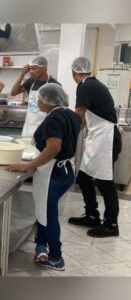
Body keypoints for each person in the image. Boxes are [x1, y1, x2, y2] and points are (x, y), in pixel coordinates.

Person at [7, 83, 81, 271]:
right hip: (66, 172)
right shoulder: (71, 114)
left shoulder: (54, 118)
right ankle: (41, 246)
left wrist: (28, 166)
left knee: (49, 215)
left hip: (52, 175)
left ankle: (56, 258)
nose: (37, 101)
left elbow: (54, 147)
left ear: (47, 100)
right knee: (45, 210)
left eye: (39, 98)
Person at [68, 57, 122, 238]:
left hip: (105, 139)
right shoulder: (92, 84)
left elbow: (79, 115)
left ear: (73, 72)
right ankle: (92, 215)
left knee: (105, 183)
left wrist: (69, 135)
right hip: (98, 137)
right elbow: (84, 119)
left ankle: (111, 224)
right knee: (83, 178)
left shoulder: (85, 86)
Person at [10, 56, 61, 137]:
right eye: (30, 69)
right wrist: (22, 74)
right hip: (29, 126)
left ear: (44, 68)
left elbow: (58, 109)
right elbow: (13, 92)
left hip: (45, 126)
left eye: (34, 68)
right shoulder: (31, 81)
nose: (31, 71)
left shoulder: (54, 84)